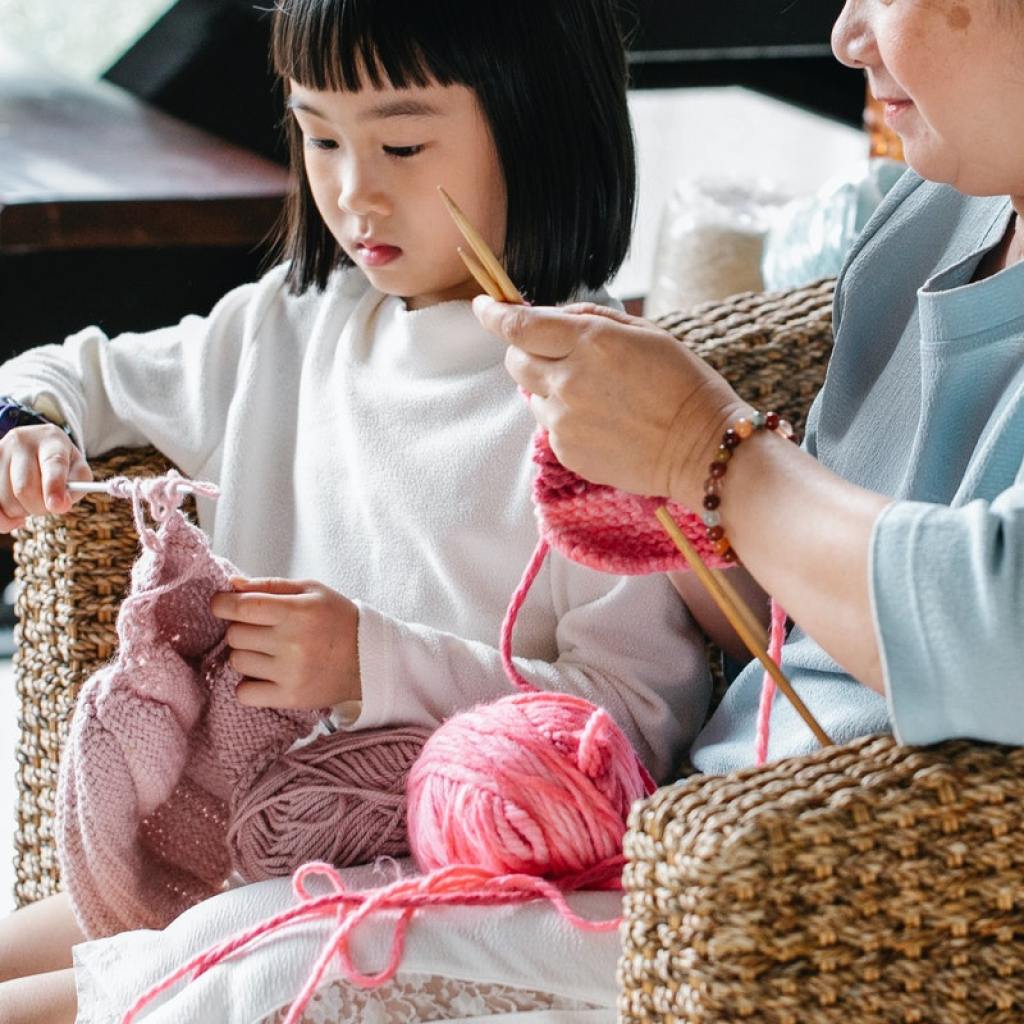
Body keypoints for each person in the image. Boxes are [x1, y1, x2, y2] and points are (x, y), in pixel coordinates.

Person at [0, 2, 712, 1021]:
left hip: (422, 878)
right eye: (318, 134)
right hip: (230, 842)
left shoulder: (601, 400)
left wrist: (370, 662)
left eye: (402, 142)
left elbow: (634, 725)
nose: (351, 189)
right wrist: (26, 425)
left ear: (536, 124)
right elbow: (71, 371)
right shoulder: (283, 338)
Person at [479, 0, 1024, 778]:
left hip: (854, 862)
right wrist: (668, 484)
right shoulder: (931, 215)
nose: (846, 38)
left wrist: (707, 448)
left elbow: (1000, 642)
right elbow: (797, 630)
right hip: (702, 818)